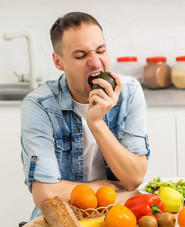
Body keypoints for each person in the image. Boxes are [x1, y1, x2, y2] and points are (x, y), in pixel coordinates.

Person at [20, 12, 150, 219]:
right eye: (80, 56)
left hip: (119, 214)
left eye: (100, 50)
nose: (95, 62)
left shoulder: (129, 92)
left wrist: (97, 123)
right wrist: (97, 187)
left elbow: (134, 177)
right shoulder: (39, 105)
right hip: (64, 217)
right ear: (58, 62)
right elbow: (44, 194)